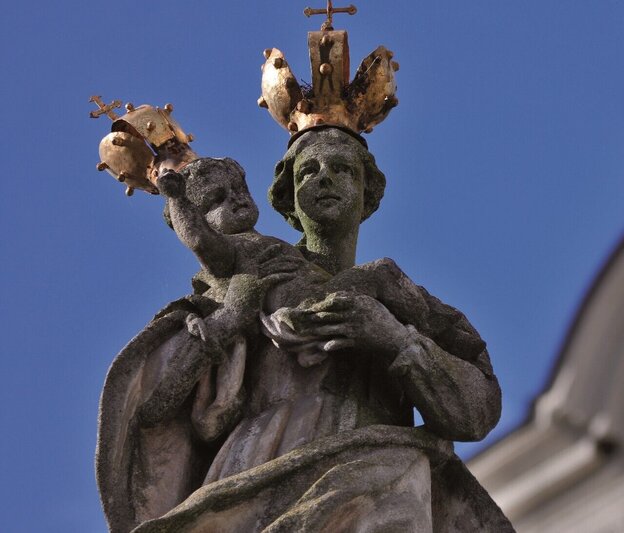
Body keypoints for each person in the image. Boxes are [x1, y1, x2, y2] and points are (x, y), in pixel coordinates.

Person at [97, 126, 512, 532]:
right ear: (288, 195)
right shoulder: (249, 275)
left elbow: (475, 413)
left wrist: (394, 338)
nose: (324, 179)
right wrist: (230, 319)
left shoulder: (401, 293)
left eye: (342, 169)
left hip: (383, 471)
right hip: (268, 460)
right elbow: (154, 404)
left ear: (368, 190)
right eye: (307, 171)